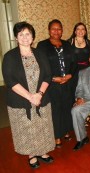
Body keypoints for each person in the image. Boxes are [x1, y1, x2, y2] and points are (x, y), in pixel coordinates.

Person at [2, 22, 54, 169]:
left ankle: (42, 152)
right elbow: (10, 80)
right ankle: (32, 154)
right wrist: (30, 97)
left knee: (43, 126)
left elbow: (48, 75)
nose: (25, 37)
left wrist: (39, 94)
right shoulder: (9, 57)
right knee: (28, 128)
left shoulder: (40, 54)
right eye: (21, 34)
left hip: (41, 98)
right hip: (21, 100)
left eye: (28, 34)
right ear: (16, 38)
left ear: (32, 37)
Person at [37, 19, 75, 148]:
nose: (56, 31)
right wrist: (53, 78)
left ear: (62, 31)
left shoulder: (67, 45)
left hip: (67, 83)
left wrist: (70, 75)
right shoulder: (42, 46)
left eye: (59, 29)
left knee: (66, 107)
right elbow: (41, 66)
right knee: (55, 109)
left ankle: (65, 131)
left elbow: (74, 63)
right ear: (49, 30)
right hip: (51, 84)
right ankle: (57, 135)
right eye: (53, 29)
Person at [68, 22, 90, 126]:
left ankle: (85, 116)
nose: (81, 31)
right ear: (75, 31)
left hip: (86, 70)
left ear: (85, 31)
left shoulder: (89, 42)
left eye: (83, 29)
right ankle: (75, 118)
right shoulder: (69, 42)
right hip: (74, 70)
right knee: (74, 93)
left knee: (85, 93)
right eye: (78, 29)